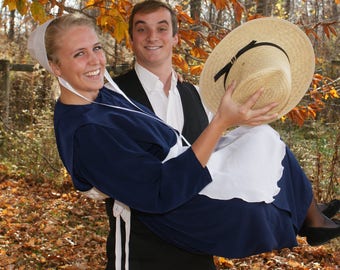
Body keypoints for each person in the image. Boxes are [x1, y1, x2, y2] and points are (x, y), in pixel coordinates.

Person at [27, 11, 340, 270]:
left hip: (186, 213)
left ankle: (308, 215)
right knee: (254, 178)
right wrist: (220, 122)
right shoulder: (86, 133)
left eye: (96, 48)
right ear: (55, 66)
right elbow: (160, 190)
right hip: (169, 219)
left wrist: (230, 117)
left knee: (261, 139)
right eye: (79, 54)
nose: (96, 60)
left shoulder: (104, 96)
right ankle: (303, 216)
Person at [105, 1, 214, 269]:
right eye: (142, 29)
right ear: (131, 39)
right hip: (138, 250)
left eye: (162, 28)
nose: (152, 37)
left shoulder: (199, 97)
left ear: (175, 37)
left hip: (198, 247)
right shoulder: (110, 97)